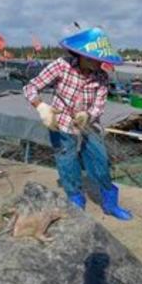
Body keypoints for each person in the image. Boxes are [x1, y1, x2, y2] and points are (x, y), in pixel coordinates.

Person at [23, 27, 132, 220]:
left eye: (100, 60)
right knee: (67, 162)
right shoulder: (61, 66)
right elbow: (31, 87)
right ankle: (76, 202)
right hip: (61, 123)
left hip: (87, 125)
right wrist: (41, 107)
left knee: (99, 161)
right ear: (80, 55)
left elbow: (99, 106)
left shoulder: (102, 77)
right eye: (93, 59)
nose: (98, 64)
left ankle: (110, 203)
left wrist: (88, 116)